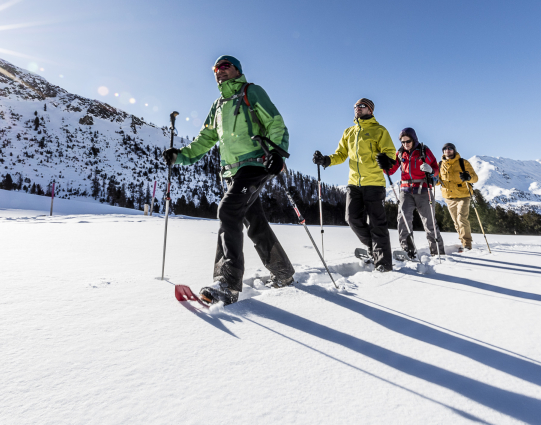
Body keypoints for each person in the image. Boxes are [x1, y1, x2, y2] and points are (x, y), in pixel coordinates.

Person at [163, 56, 294, 305]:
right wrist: (180, 156)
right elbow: (206, 138)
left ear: (237, 70)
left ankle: (227, 283)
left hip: (255, 164)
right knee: (254, 221)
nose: (219, 71)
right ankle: (283, 272)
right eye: (215, 68)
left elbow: (275, 122)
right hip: (232, 171)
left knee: (229, 210)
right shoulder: (218, 105)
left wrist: (277, 152)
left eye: (225, 67)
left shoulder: (251, 92)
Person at [313, 98, 397, 272]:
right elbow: (341, 154)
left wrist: (386, 160)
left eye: (362, 106)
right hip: (354, 183)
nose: (357, 108)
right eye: (355, 106)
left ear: (370, 110)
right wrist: (326, 160)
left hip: (374, 182)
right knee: (352, 219)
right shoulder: (349, 132)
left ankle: (383, 265)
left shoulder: (380, 130)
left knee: (377, 224)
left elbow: (390, 153)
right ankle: (374, 248)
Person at [386, 128, 445, 260]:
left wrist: (430, 170)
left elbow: (436, 169)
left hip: (423, 190)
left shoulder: (424, 151)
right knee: (403, 221)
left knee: (429, 222)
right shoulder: (400, 153)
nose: (405, 144)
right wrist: (384, 164)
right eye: (403, 142)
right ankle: (408, 251)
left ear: (414, 139)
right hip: (405, 191)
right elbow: (390, 171)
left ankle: (437, 252)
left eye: (408, 141)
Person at [438, 143, 478, 251]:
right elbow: (437, 182)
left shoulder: (463, 162)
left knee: (461, 219)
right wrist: (431, 177)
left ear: (454, 150)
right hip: (449, 197)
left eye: (450, 148)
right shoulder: (440, 164)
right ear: (443, 152)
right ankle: (462, 241)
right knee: (456, 222)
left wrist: (468, 177)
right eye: (445, 149)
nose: (448, 150)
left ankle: (467, 245)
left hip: (463, 196)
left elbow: (475, 178)